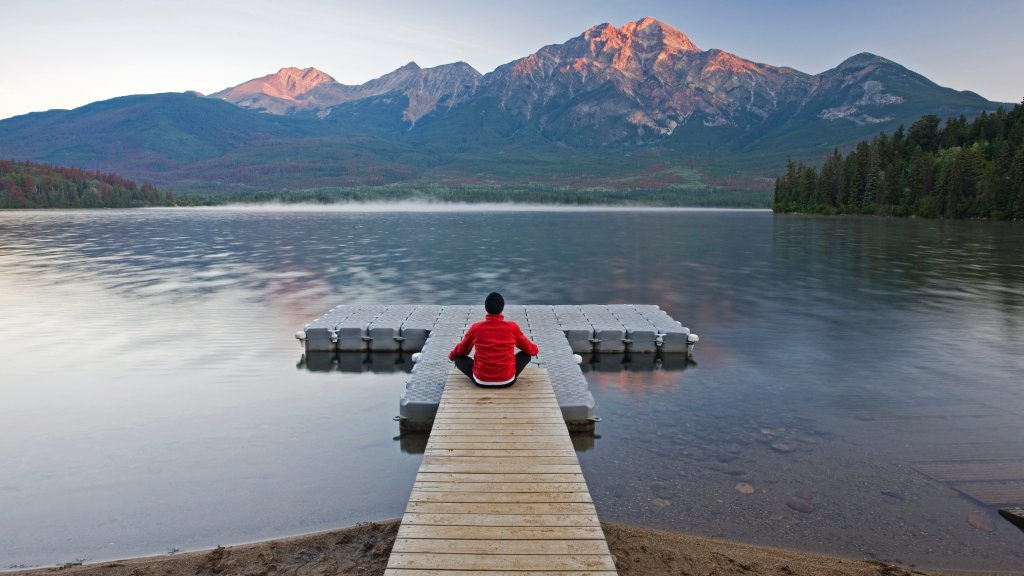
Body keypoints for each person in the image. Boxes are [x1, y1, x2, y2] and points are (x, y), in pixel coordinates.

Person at [448, 292, 539, 387]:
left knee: (458, 358)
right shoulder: (512, 327)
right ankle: (506, 372)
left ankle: (482, 372)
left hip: (481, 381)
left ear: (486, 308)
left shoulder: (476, 328)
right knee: (526, 353)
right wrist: (535, 349)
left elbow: (463, 350)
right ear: (502, 308)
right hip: (507, 380)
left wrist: (452, 355)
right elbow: (530, 349)